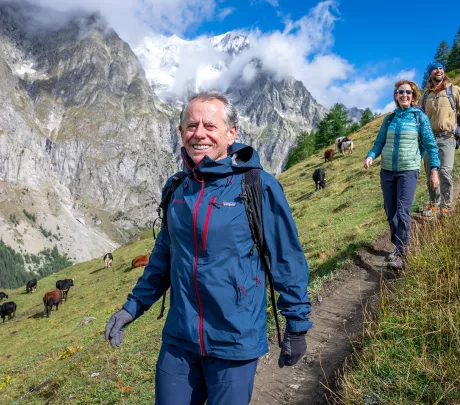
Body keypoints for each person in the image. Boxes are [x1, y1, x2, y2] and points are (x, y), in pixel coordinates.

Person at [105, 91, 312, 405]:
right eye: (191, 125)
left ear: (231, 134)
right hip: (180, 340)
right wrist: (131, 308)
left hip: (234, 341)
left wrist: (296, 325)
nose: (198, 133)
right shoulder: (177, 189)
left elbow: (286, 258)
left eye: (209, 126)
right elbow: (163, 259)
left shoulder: (257, 186)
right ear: (180, 133)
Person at [364, 80, 440, 270]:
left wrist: (434, 171)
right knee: (391, 212)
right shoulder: (389, 119)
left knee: (403, 211)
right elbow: (379, 142)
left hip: (408, 171)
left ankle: (402, 252)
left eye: (408, 92)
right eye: (400, 92)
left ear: (413, 96)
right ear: (396, 96)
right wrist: (371, 156)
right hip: (387, 171)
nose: (404, 95)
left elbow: (430, 145)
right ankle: (398, 246)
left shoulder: (419, 118)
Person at [420, 62, 460, 218]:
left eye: (440, 68)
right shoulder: (426, 96)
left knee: (445, 171)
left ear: (443, 71)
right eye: (434, 68)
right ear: (430, 73)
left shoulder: (454, 90)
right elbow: (420, 118)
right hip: (429, 140)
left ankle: (445, 207)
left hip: (447, 137)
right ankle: (434, 204)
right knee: (430, 174)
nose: (438, 70)